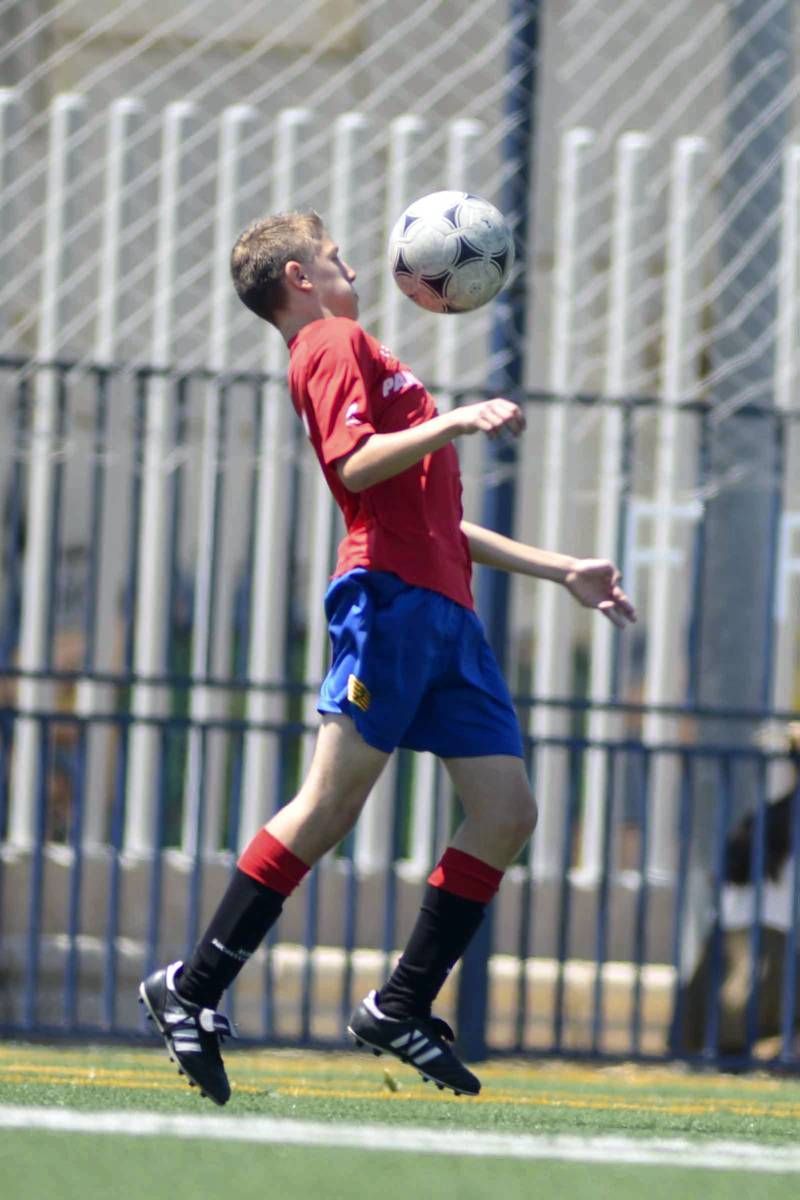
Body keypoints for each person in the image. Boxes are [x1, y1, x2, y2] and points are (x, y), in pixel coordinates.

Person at [139, 210, 636, 1105]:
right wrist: (455, 422)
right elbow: (356, 462)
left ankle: (399, 1005)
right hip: (392, 605)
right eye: (335, 257)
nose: (355, 267)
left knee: (506, 811)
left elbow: (437, 521)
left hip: (446, 614)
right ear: (299, 278)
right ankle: (192, 987)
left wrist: (564, 568)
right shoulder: (331, 338)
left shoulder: (355, 344)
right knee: (330, 803)